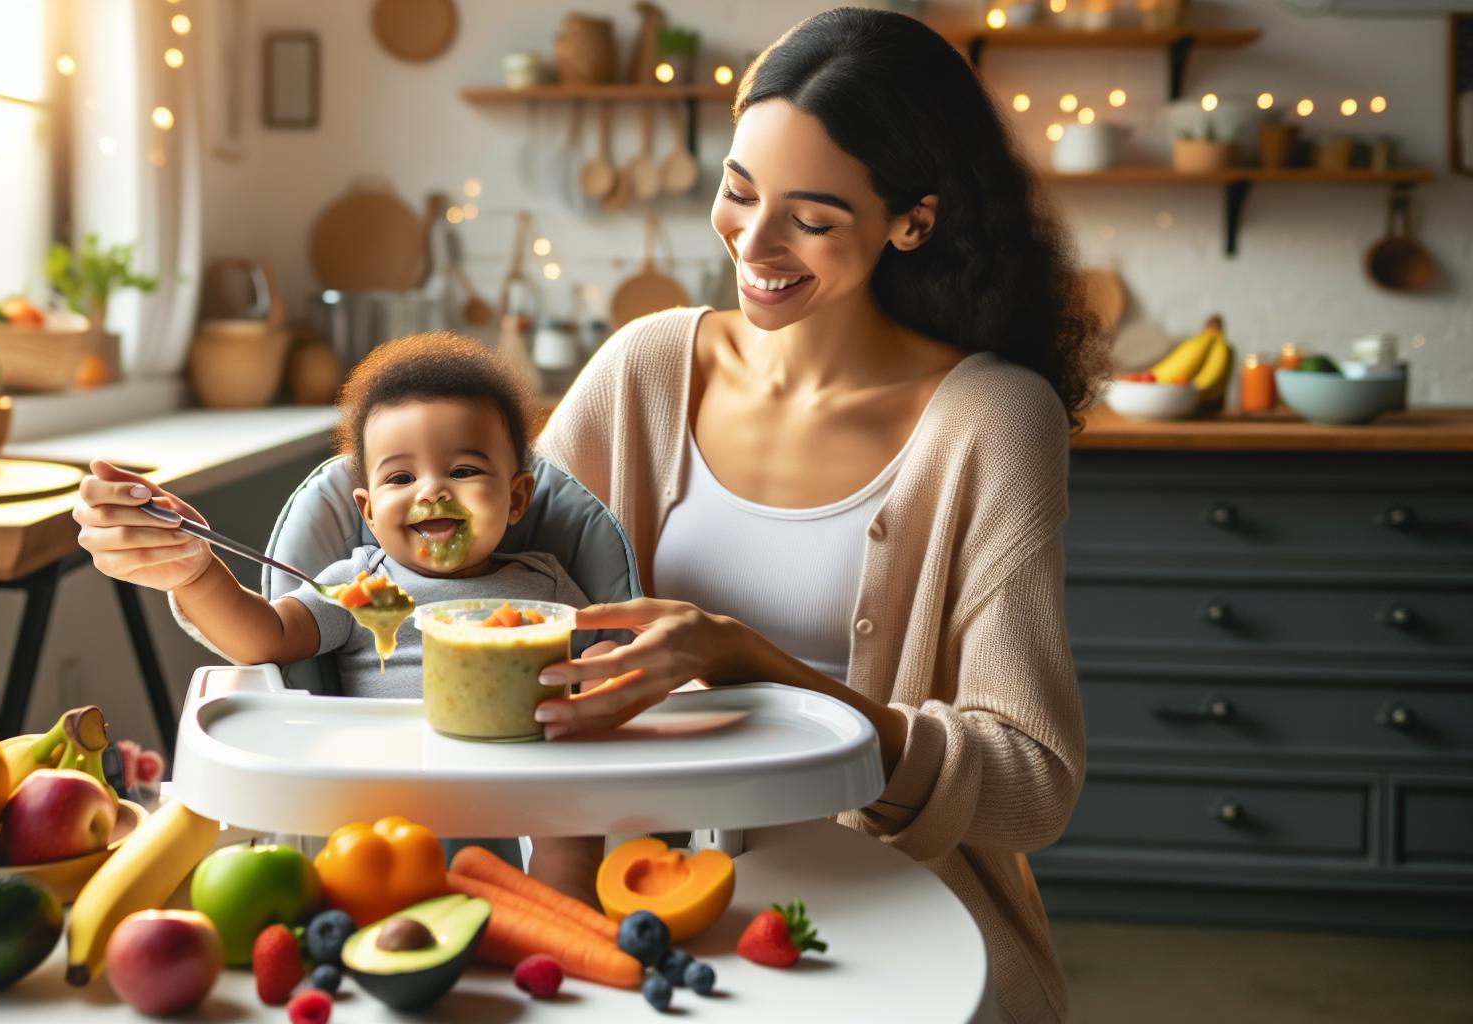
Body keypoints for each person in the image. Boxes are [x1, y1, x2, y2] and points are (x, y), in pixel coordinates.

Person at [525, 9, 1105, 1023]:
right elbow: (480, 591)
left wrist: (755, 662)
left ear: (910, 219)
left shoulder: (993, 421)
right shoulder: (645, 371)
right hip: (628, 924)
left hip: (878, 932)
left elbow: (1032, 781)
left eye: (812, 217)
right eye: (738, 193)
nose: (754, 242)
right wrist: (212, 582)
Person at [72, 331, 587, 694]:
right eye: (401, 479)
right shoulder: (356, 588)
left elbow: (617, 674)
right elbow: (263, 638)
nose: (430, 492)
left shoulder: (550, 588)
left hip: (525, 793)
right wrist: (196, 572)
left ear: (517, 498)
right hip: (384, 808)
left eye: (464, 471)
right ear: (366, 509)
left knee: (568, 841)